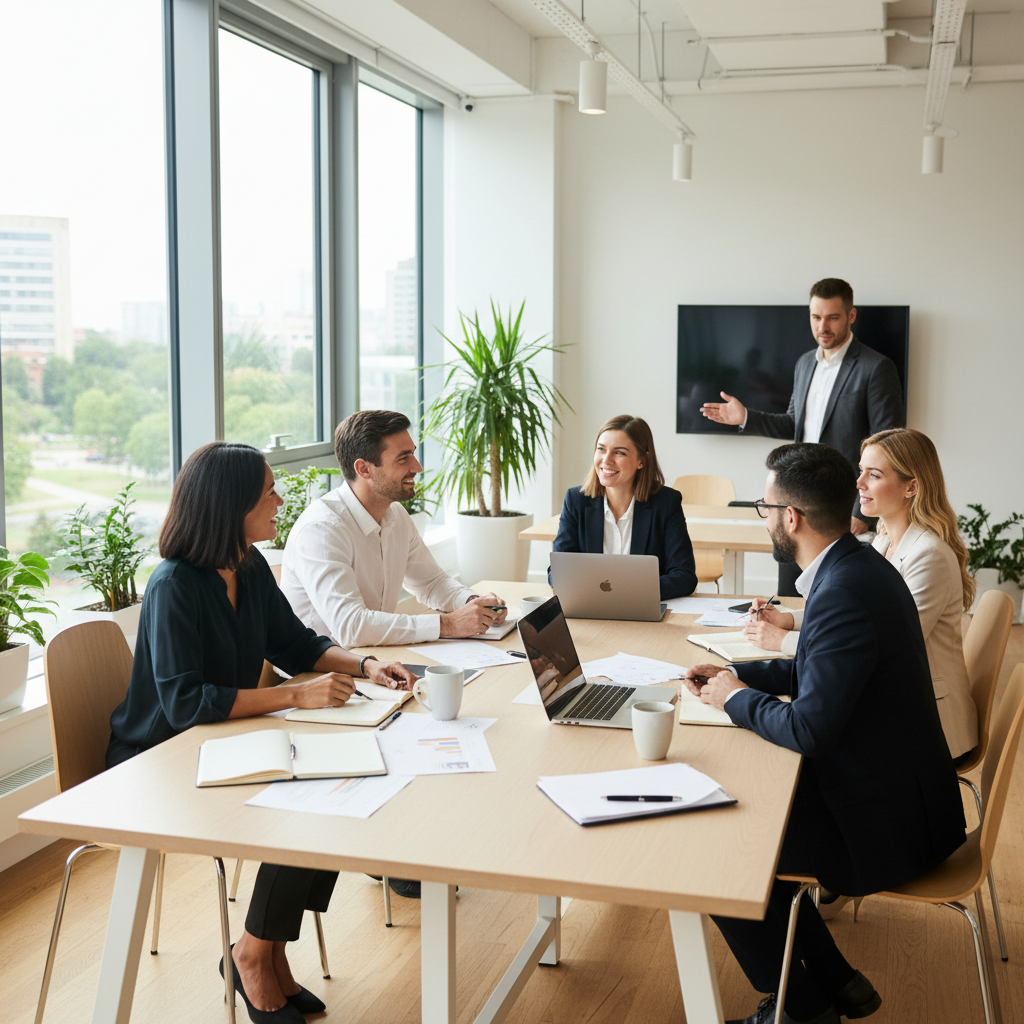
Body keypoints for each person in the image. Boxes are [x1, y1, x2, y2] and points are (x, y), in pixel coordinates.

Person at [107, 442, 416, 1024]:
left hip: (223, 740)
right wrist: (295, 694)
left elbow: (296, 643)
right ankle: (253, 954)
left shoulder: (247, 565)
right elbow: (183, 704)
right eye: (268, 491)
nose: (280, 499)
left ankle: (266, 950)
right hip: (160, 758)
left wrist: (364, 665)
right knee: (305, 801)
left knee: (336, 786)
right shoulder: (174, 584)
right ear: (232, 506)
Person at [683, 443, 965, 1024]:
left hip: (886, 827)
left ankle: (798, 1007)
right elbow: (821, 666)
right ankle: (836, 980)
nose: (764, 517)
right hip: (894, 791)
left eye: (765, 506)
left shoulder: (843, 589)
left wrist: (736, 700)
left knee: (717, 848)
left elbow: (809, 727)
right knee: (752, 815)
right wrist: (738, 675)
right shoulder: (856, 568)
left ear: (792, 518)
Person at [743, 428, 978, 761]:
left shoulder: (930, 555)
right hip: (891, 702)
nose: (859, 483)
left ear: (911, 487)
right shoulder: (882, 540)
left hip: (929, 726)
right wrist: (788, 618)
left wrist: (780, 639)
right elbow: (857, 622)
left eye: (874, 474)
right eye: (861, 471)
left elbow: (871, 644)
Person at [699, 278, 904, 595]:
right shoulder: (805, 363)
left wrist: (860, 511)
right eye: (815, 317)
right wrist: (746, 418)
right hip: (794, 500)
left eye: (833, 317)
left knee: (835, 595)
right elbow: (794, 425)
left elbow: (887, 446)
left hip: (841, 507)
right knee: (791, 594)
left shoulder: (876, 368)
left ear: (851, 316)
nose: (823, 326)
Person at [282, 409, 508, 649]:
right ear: (364, 469)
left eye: (413, 454)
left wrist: (473, 603)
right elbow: (351, 627)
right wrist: (448, 624)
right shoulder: (322, 530)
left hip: (373, 660)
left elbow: (431, 582)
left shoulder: (395, 514)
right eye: (403, 458)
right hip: (318, 675)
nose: (418, 467)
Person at [549, 414, 697, 599]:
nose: (606, 460)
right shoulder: (575, 500)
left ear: (642, 460)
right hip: (590, 608)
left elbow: (684, 576)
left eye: (619, 452)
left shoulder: (666, 503)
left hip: (641, 609)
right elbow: (558, 570)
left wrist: (626, 592)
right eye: (601, 449)